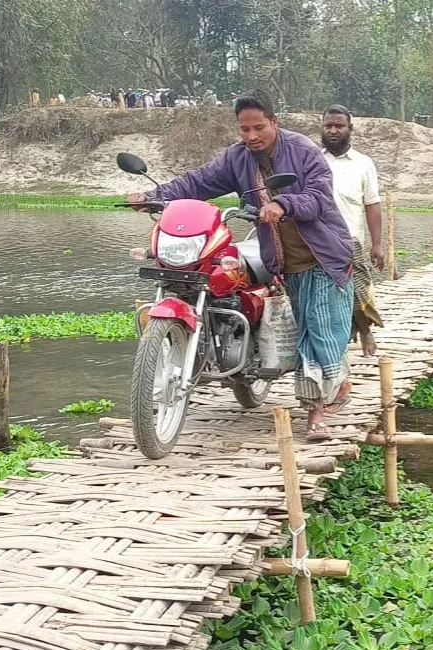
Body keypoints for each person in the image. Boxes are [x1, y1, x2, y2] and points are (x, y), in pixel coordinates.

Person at [125, 89, 355, 441]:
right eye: (244, 129)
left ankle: (315, 414)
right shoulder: (238, 158)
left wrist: (283, 205)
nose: (251, 136)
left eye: (258, 127)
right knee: (307, 328)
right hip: (281, 262)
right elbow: (198, 182)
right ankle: (332, 383)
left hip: (322, 257)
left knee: (317, 330)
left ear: (274, 122)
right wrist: (156, 196)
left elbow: (319, 199)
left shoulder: (304, 152)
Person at [320, 104, 385, 356]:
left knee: (356, 286)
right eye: (328, 126)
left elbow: (372, 204)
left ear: (350, 129)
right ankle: (334, 341)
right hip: (316, 239)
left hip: (350, 239)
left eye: (339, 126)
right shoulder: (313, 159)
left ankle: (365, 332)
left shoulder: (363, 164)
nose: (333, 130)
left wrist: (377, 244)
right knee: (323, 292)